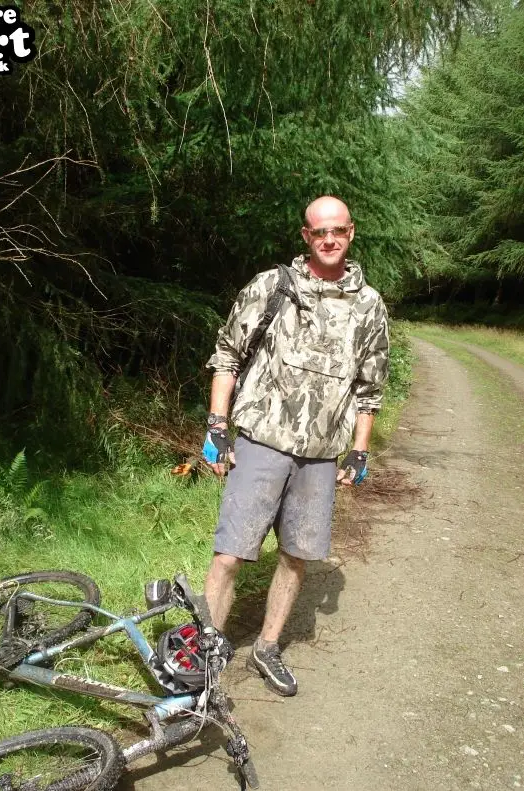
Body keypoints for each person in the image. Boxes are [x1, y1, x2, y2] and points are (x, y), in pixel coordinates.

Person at [201, 195, 389, 696]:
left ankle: (266, 647)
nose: (329, 239)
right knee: (231, 552)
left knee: (297, 555)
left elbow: (369, 391)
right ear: (306, 237)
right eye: (319, 231)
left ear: (351, 233)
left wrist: (359, 450)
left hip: (322, 454)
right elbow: (227, 355)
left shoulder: (369, 306)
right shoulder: (273, 286)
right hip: (262, 440)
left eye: (338, 231)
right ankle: (207, 648)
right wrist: (217, 427)